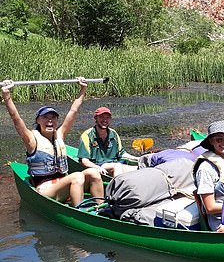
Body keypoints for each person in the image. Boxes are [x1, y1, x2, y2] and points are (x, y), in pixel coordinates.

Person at [1, 78, 104, 206]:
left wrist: (83, 89)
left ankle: (100, 209)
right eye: (45, 117)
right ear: (38, 120)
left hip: (63, 184)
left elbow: (73, 111)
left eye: (53, 118)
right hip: (45, 188)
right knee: (77, 176)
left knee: (93, 173)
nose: (50, 121)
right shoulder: (31, 139)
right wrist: (6, 95)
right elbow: (16, 118)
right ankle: (80, 212)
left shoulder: (59, 135)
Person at [77, 107, 136, 177]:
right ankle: (117, 187)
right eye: (101, 117)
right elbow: (84, 160)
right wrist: (97, 168)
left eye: (107, 117)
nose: (105, 120)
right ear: (96, 118)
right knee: (117, 166)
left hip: (115, 164)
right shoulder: (87, 135)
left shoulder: (113, 134)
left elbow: (122, 154)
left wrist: (137, 159)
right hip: (98, 165)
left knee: (137, 169)